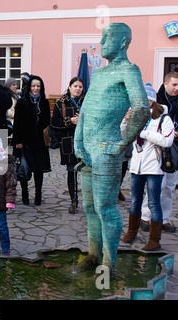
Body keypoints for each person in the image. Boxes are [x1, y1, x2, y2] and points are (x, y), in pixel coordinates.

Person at [73, 23, 150, 272]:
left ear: (123, 42)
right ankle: (93, 256)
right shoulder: (99, 73)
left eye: (108, 37)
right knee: (89, 207)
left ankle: (109, 262)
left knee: (105, 207)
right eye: (102, 36)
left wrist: (122, 143)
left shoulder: (129, 70)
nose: (103, 41)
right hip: (88, 147)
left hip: (107, 147)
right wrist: (77, 140)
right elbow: (84, 110)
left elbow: (141, 108)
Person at [121, 84, 174, 250]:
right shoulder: (137, 116)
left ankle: (154, 240)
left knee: (153, 203)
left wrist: (143, 133)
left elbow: (167, 141)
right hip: (137, 167)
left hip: (154, 168)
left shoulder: (164, 119)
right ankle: (132, 231)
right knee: (135, 201)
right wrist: (125, 121)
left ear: (152, 99)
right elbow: (125, 136)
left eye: (146, 98)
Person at [141, 71, 178, 233]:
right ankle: (146, 217)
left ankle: (165, 219)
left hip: (175, 148)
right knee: (155, 185)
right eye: (174, 85)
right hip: (156, 149)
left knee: (169, 186)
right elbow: (148, 124)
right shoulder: (156, 101)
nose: (177, 88)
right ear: (165, 84)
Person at [12, 75, 51, 206]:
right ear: (29, 87)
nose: (35, 88)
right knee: (24, 168)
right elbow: (17, 123)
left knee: (39, 169)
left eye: (38, 86)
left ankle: (38, 195)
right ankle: (24, 194)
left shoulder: (44, 102)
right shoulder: (22, 102)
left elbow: (47, 122)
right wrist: (18, 141)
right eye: (33, 86)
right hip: (25, 141)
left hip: (39, 142)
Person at [50, 77, 85, 213]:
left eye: (80, 87)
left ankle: (89, 201)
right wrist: (70, 121)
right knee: (72, 171)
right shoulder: (61, 103)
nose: (77, 89)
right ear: (70, 87)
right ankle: (73, 200)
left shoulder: (87, 102)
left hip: (85, 143)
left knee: (87, 172)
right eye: (75, 86)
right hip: (68, 142)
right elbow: (54, 123)